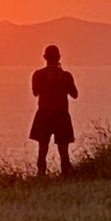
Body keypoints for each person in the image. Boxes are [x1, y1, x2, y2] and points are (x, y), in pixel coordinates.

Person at [29, 44, 78, 177]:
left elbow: (35, 92)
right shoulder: (66, 76)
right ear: (59, 57)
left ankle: (41, 175)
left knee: (42, 149)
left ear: (45, 57)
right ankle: (65, 176)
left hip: (44, 114)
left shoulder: (38, 75)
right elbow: (75, 94)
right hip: (61, 114)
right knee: (63, 150)